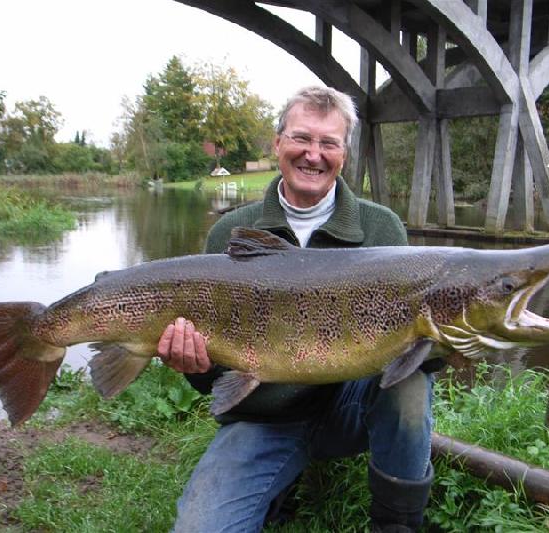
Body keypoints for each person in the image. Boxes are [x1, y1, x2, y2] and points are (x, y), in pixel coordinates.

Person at [157, 86, 438, 532]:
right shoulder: (233, 230)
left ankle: (397, 524)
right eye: (301, 138)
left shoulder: (381, 227)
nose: (314, 154)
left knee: (411, 391)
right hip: (264, 418)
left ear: (344, 152)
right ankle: (278, 481)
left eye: (329, 143)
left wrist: (455, 337)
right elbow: (212, 380)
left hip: (350, 408)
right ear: (277, 143)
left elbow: (413, 345)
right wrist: (193, 364)